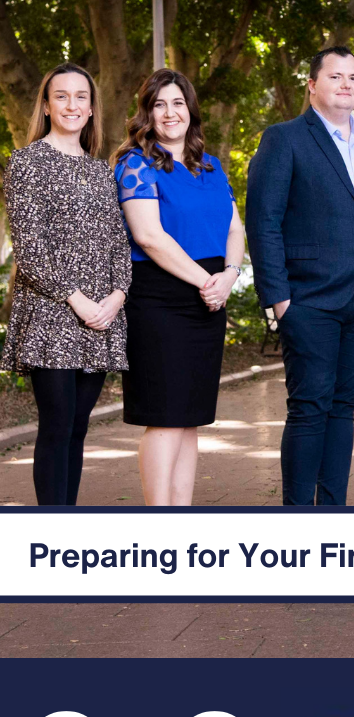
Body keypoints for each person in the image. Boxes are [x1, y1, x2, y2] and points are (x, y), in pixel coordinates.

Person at [247, 46, 354, 505]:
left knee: (343, 408)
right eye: (335, 76)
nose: (345, 84)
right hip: (307, 300)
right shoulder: (284, 139)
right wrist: (279, 299)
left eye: (353, 77)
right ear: (312, 85)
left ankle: (332, 514)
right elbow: (264, 221)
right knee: (310, 408)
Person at [113, 69, 244, 506]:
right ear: (148, 112)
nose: (170, 113)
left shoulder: (210, 165)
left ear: (190, 110)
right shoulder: (136, 164)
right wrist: (207, 281)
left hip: (209, 298)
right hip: (160, 300)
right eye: (160, 104)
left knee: (190, 419)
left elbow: (234, 229)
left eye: (178, 103)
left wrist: (229, 276)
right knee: (165, 418)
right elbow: (149, 237)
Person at [1, 63, 130, 505]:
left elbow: (118, 241)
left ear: (92, 108)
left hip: (100, 316)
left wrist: (116, 297)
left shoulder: (100, 171)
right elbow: (31, 249)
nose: (72, 105)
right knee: (56, 425)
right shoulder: (27, 162)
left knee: (78, 426)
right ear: (46, 104)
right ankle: (51, 533)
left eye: (81, 97)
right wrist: (77, 299)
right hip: (53, 314)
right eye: (62, 96)